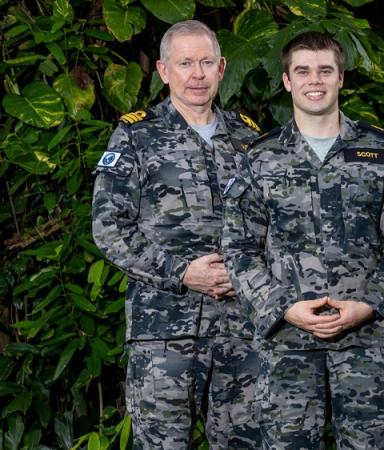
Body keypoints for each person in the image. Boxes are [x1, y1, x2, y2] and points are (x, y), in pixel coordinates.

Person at [221, 31, 384, 449]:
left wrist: (371, 304)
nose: (315, 80)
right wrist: (282, 307)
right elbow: (239, 249)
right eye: (303, 71)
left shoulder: (379, 151)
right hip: (286, 343)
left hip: (365, 340)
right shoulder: (260, 157)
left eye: (325, 70)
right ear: (287, 81)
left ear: (341, 77)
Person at [91, 20, 261, 449]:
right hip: (164, 329)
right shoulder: (136, 134)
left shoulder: (249, 137)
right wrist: (181, 272)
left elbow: (272, 225)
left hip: (242, 327)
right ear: (164, 71)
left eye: (206, 62)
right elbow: (109, 226)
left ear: (222, 67)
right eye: (185, 63)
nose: (197, 74)